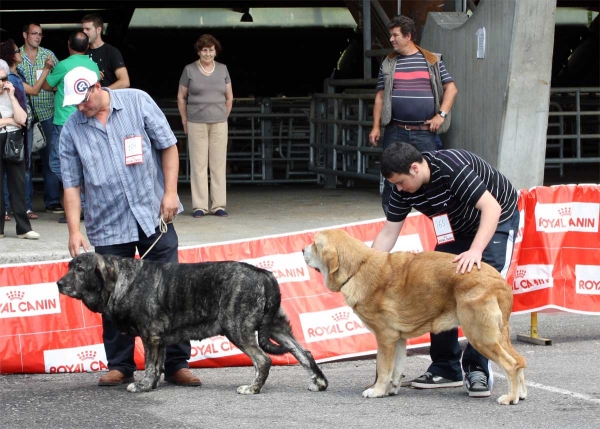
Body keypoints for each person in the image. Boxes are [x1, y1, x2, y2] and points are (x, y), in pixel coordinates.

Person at [59, 67, 200, 387]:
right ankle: (121, 365)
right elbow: (70, 185)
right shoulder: (71, 130)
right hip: (107, 223)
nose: (81, 108)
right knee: (111, 296)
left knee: (171, 290)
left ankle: (177, 363)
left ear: (96, 86)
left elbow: (168, 146)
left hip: (153, 214)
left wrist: (169, 193)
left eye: (83, 100)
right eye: (76, 104)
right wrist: (73, 229)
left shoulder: (137, 102)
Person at [372, 142, 519, 399]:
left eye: (400, 182)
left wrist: (475, 252)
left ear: (415, 169)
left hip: (496, 218)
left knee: (478, 294)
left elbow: (491, 208)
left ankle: (477, 368)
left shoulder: (451, 168)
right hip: (455, 225)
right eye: (393, 184)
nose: (398, 189)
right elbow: (388, 233)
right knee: (435, 285)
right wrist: (368, 273)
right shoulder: (402, 189)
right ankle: (445, 366)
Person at [369, 15, 458, 215]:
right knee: (393, 178)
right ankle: (393, 220)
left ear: (408, 36)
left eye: (395, 35)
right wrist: (376, 126)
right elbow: (380, 98)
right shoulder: (388, 63)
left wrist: (441, 115)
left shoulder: (432, 60)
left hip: (425, 132)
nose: (391, 39)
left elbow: (451, 89)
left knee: (431, 177)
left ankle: (432, 222)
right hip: (395, 130)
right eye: (391, 35)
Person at [42, 31, 99, 223]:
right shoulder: (93, 65)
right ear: (88, 46)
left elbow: (47, 86)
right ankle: (85, 201)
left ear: (68, 44)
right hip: (87, 119)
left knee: (57, 163)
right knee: (83, 162)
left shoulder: (63, 65)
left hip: (64, 120)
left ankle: (80, 202)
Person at [177, 34, 233, 218]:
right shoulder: (189, 70)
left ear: (216, 51)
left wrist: (224, 116)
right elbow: (181, 96)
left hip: (219, 122)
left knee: (218, 164)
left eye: (211, 50)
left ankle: (218, 205)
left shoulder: (223, 69)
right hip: (196, 122)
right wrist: (184, 119)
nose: (208, 53)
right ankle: (199, 206)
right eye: (204, 50)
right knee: (198, 164)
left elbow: (229, 97)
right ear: (199, 51)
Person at [18, 22, 64, 216]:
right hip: (24, 115)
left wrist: (52, 87)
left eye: (40, 34)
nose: (37, 37)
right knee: (24, 161)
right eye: (34, 33)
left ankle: (52, 201)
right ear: (25, 35)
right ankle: (25, 204)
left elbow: (61, 80)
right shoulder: (16, 56)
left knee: (50, 159)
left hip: (47, 112)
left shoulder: (49, 55)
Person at [0, 59, 39, 240]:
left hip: (14, 139)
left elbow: (23, 119)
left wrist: (12, 97)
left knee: (18, 182)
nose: (1, 83)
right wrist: (8, 121)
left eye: (4, 78)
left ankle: (23, 228)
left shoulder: (13, 92)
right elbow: (14, 120)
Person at [81, 13, 130, 89]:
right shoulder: (81, 52)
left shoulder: (112, 52)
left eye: (88, 29)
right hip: (87, 99)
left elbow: (125, 81)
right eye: (83, 29)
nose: (84, 32)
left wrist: (103, 92)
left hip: (108, 99)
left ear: (99, 30)